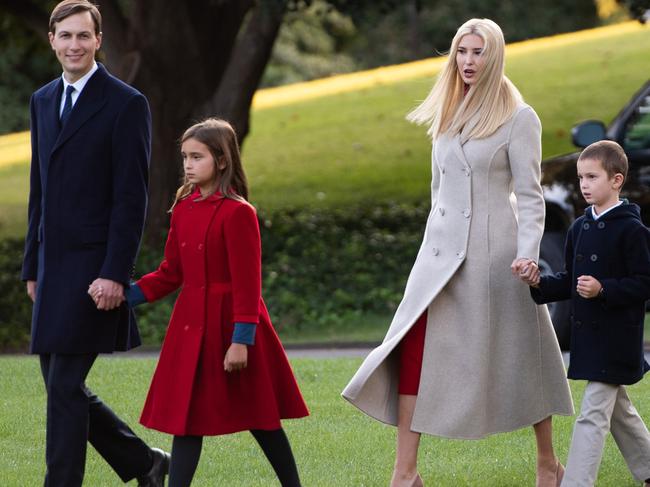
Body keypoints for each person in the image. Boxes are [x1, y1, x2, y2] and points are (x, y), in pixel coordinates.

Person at [342, 18, 573, 487]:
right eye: (461, 52)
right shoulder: (447, 112)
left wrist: (528, 255)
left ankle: (548, 462)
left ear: (495, 56)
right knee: (412, 349)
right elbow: (438, 190)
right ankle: (405, 473)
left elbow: (530, 197)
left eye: (477, 52)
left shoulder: (519, 117)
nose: (467, 62)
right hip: (438, 258)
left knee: (523, 354)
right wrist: (431, 246)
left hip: (497, 259)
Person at [92, 118, 309, 486]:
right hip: (191, 328)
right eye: (185, 158)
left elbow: (248, 283)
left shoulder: (239, 213)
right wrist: (124, 295)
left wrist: (241, 340)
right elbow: (170, 273)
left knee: (261, 416)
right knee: (187, 418)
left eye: (197, 157)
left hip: (234, 328)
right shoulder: (183, 208)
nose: (188, 165)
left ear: (222, 161)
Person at [20, 1, 169, 486]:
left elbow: (131, 199)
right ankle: (144, 464)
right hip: (52, 265)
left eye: (84, 36)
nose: (74, 45)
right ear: (52, 39)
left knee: (64, 385)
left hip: (94, 269)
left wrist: (113, 273)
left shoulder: (126, 103)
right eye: (65, 36)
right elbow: (38, 190)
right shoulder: (43, 100)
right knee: (60, 384)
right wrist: (31, 267)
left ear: (99, 41)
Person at [520, 140, 650, 487]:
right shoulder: (579, 229)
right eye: (580, 178)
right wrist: (538, 283)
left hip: (617, 339)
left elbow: (644, 283)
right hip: (589, 340)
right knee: (620, 412)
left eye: (592, 177)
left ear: (617, 180)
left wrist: (604, 289)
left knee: (592, 415)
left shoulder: (633, 230)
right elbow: (568, 281)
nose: (584, 185)